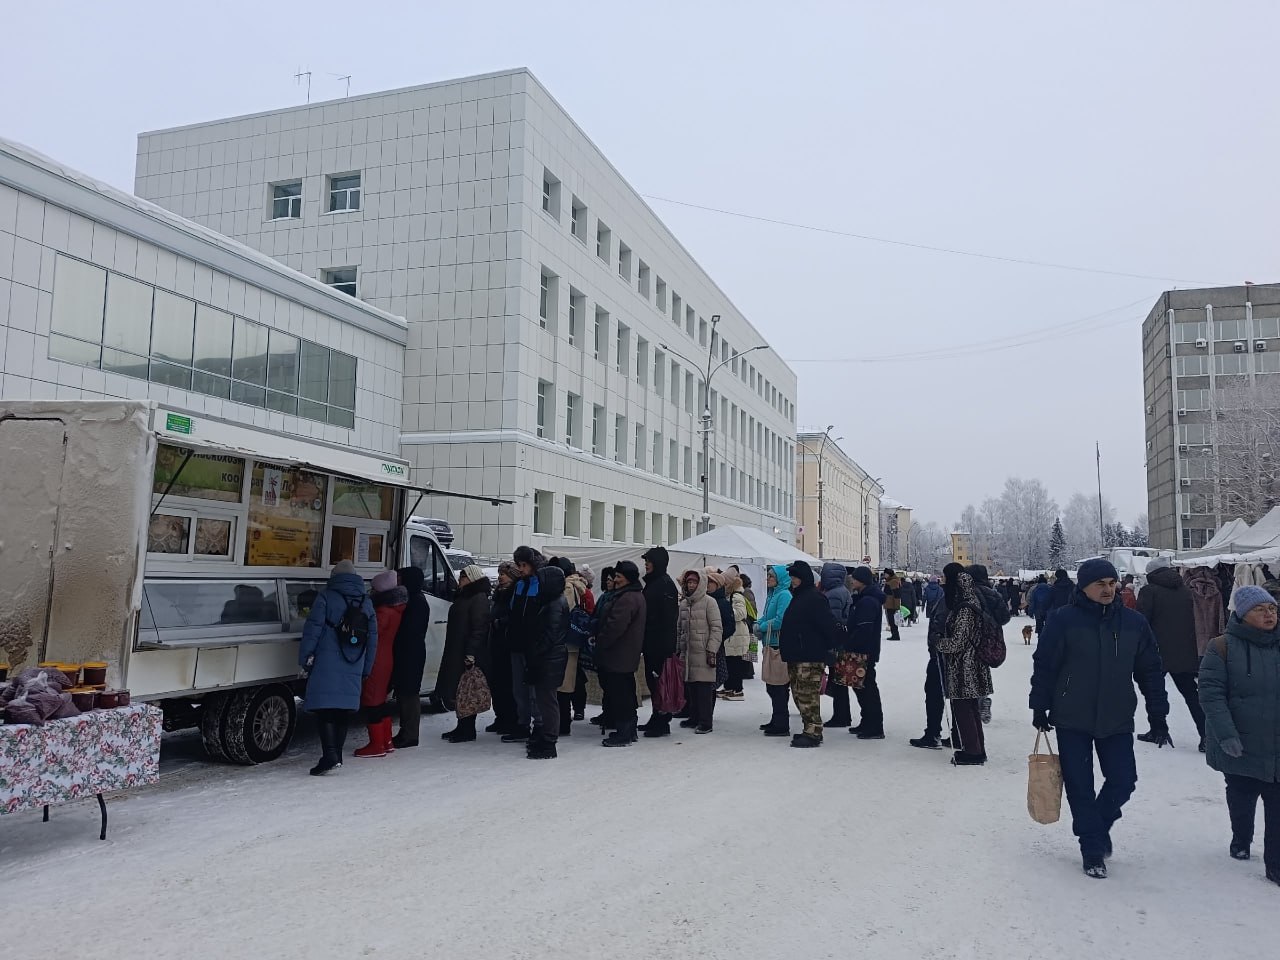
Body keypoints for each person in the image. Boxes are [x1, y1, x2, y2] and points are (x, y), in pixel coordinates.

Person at [1030, 558, 1170, 879]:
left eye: (1111, 583)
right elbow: (1046, 665)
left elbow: (1150, 670)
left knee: (1123, 781)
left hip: (1117, 716)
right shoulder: (1063, 620)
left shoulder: (1134, 623)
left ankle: (1097, 825)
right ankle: (1092, 848)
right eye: (1100, 584)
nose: (1108, 590)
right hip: (1071, 717)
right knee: (1080, 785)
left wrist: (1158, 715)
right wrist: (1040, 706)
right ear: (1084, 587)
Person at [1199, 586, 1280, 885]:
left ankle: (1276, 866)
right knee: (1242, 797)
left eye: (1272, 609)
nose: (1269, 614)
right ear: (1243, 615)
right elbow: (1211, 695)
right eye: (1261, 610)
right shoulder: (1221, 647)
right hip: (1241, 743)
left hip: (1276, 744)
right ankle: (1241, 838)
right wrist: (1226, 735)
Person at [299, 560, 377, 775]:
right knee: (343, 708)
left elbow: (312, 629)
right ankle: (337, 755)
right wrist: (366, 667)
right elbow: (372, 640)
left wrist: (305, 657)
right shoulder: (366, 602)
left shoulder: (326, 597)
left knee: (325, 708)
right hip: (354, 661)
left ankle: (330, 755)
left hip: (327, 660)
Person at [1137, 556, 1206, 751]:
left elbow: (1142, 622)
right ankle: (1206, 735)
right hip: (1185, 651)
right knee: (1192, 695)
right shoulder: (1186, 590)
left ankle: (1158, 730)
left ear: (1151, 574)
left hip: (1156, 651)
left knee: (1154, 692)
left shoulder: (1149, 591)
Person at [779, 561, 842, 748]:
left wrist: (828, 648)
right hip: (797, 654)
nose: (793, 581)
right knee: (799, 695)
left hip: (810, 655)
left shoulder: (814, 598)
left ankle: (814, 731)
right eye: (791, 577)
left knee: (808, 695)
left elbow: (827, 626)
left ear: (804, 578)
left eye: (795, 577)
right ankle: (809, 728)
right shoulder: (798, 597)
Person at [936, 564, 992, 767]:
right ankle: (976, 748)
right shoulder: (970, 603)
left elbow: (958, 642)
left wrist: (939, 642)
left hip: (965, 667)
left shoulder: (965, 608)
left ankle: (973, 751)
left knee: (964, 709)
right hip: (970, 665)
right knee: (970, 709)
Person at [353, 570, 405, 759]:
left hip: (376, 659)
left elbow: (372, 635)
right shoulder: (396, 608)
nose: (371, 592)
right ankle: (386, 741)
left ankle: (376, 745)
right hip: (386, 658)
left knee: (372, 701)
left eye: (374, 589)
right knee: (380, 700)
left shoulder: (382, 611)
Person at [594, 560, 647, 747]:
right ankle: (628, 730)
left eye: (618, 576)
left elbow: (615, 626)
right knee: (624, 692)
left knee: (621, 694)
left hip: (619, 654)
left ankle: (625, 732)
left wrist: (600, 642)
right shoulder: (630, 595)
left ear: (627, 579)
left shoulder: (628, 598)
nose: (615, 580)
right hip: (623, 653)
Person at [439, 565, 493, 744]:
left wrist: (471, 652)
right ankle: (461, 725)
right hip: (457, 648)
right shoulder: (464, 596)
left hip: (468, 651)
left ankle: (467, 728)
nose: (460, 580)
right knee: (459, 688)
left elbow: (479, 627)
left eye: (463, 577)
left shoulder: (478, 598)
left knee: (468, 690)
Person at [521, 561, 569, 759]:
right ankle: (545, 738)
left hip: (550, 659)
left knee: (548, 701)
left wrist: (534, 652)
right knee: (544, 699)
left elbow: (550, 635)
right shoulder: (551, 601)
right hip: (547, 658)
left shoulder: (555, 604)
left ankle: (549, 741)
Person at [504, 545, 547, 744]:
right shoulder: (519, 585)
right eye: (518, 564)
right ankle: (522, 725)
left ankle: (539, 725)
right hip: (517, 644)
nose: (520, 569)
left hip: (534, 646)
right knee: (518, 688)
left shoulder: (543, 585)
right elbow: (513, 612)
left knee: (534, 689)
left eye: (523, 565)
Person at [639, 548, 679, 738]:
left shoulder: (664, 584)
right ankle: (657, 716)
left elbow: (668, 619)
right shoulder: (654, 583)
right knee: (653, 681)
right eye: (646, 560)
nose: (646, 563)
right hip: (651, 642)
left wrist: (666, 647)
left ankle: (662, 721)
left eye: (649, 560)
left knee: (660, 683)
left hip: (659, 644)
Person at [677, 568, 723, 734]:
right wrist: (678, 649)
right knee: (691, 688)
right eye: (688, 582)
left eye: (694, 582)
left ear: (701, 583)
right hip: (687, 652)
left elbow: (717, 628)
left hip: (703, 653)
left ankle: (706, 721)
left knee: (703, 689)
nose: (690, 585)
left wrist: (711, 649)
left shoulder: (709, 602)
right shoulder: (683, 603)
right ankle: (694, 717)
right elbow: (679, 629)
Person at [552, 556, 592, 737]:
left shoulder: (568, 587)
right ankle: (565, 721)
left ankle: (563, 723)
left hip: (566, 640)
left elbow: (564, 610)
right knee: (568, 683)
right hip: (573, 640)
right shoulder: (578, 585)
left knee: (563, 685)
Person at [390, 565, 429, 748]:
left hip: (411, 652)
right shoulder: (413, 598)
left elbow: (409, 629)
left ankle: (410, 734)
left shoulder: (416, 601)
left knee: (409, 692)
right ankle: (405, 731)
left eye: (401, 578)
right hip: (408, 651)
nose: (398, 581)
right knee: (405, 691)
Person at [911, 576, 950, 750]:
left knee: (934, 693)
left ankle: (933, 733)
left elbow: (940, 624)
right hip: (951, 655)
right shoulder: (956, 596)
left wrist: (936, 642)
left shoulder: (950, 598)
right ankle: (958, 734)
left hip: (942, 655)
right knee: (956, 697)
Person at [847, 567, 885, 739]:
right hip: (863, 650)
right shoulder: (864, 598)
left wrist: (849, 642)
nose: (851, 580)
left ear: (862, 581)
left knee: (867, 688)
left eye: (854, 578)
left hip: (864, 651)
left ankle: (874, 726)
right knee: (861, 687)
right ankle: (867, 721)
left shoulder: (868, 601)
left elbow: (864, 629)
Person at [756, 564, 793, 736]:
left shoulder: (783, 595)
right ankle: (776, 719)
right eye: (768, 575)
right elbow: (768, 615)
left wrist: (761, 626)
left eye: (771, 576)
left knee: (777, 686)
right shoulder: (773, 595)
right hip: (770, 643)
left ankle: (781, 723)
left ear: (779, 579)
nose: (768, 578)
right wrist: (758, 623)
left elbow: (780, 620)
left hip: (777, 645)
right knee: (772, 685)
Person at [485, 561, 520, 736]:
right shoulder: (498, 594)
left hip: (507, 644)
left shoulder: (515, 593)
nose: (500, 577)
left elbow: (515, 617)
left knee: (508, 684)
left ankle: (511, 719)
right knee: (497, 683)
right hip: (495, 643)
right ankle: (500, 717)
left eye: (503, 574)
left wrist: (501, 622)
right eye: (499, 574)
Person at [818, 562, 854, 728]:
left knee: (838, 681)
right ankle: (842, 714)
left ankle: (841, 716)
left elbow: (832, 620)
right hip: (841, 642)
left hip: (836, 644)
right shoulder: (841, 591)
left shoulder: (833, 594)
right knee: (839, 681)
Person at [720, 572, 754, 701]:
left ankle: (738, 690)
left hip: (737, 635)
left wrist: (726, 612)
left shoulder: (737, 596)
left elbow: (740, 613)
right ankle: (729, 687)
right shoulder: (730, 595)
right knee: (730, 663)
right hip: (734, 636)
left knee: (735, 664)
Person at [883, 568, 903, 642]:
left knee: (892, 621)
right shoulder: (890, 581)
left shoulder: (893, 581)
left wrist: (897, 606)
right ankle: (894, 634)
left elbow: (897, 595)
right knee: (891, 620)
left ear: (889, 574)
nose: (884, 575)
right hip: (889, 604)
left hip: (892, 605)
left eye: (885, 574)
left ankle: (895, 635)